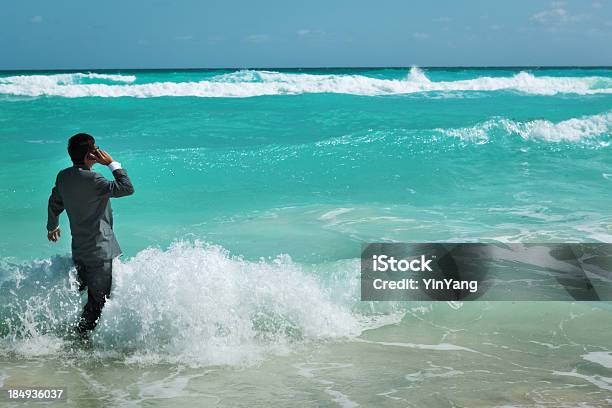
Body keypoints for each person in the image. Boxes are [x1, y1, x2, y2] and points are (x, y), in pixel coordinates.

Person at [46, 133, 134, 339]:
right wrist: (112, 163)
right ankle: (78, 343)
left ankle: (75, 336)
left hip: (79, 249)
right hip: (100, 252)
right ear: (90, 155)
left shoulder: (63, 176)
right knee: (99, 302)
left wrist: (52, 227)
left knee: (87, 296)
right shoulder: (95, 179)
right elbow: (127, 188)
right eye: (95, 149)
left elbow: (54, 203)